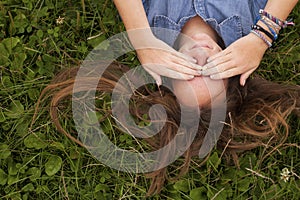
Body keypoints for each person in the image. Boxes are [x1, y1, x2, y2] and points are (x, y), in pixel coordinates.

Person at [113, 0, 298, 86]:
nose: (201, 57)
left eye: (190, 72)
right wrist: (262, 36)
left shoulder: (151, 25)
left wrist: (141, 38)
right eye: (212, 72)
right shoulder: (249, 23)